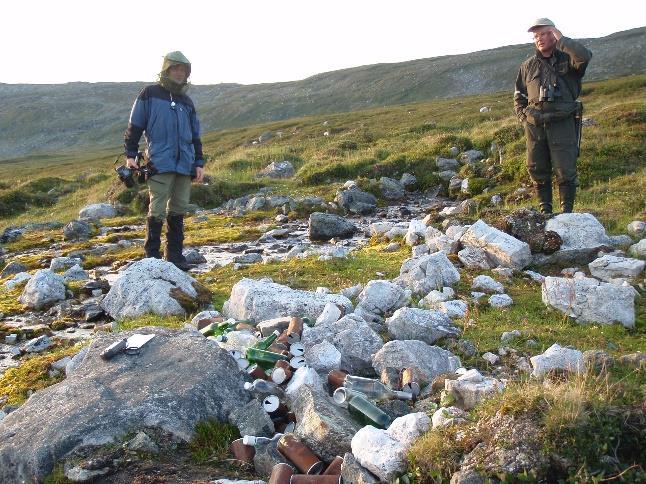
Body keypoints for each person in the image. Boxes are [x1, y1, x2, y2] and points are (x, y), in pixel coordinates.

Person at [124, 51, 204, 270]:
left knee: (179, 208)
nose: (179, 73)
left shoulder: (187, 102)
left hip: (185, 164)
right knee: (157, 208)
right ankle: (152, 257)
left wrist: (199, 163)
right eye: (175, 69)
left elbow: (195, 135)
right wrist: (131, 155)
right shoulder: (149, 94)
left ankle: (175, 257)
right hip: (160, 162)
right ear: (166, 70)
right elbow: (135, 126)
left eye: (183, 70)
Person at [513, 18, 592, 214]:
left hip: (563, 122)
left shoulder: (569, 60)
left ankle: (567, 215)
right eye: (536, 36)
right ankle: (545, 212)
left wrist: (562, 38)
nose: (539, 39)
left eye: (544, 34)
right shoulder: (527, 66)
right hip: (535, 124)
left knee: (565, 168)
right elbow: (519, 96)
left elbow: (584, 57)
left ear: (553, 34)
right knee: (537, 168)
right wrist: (524, 118)